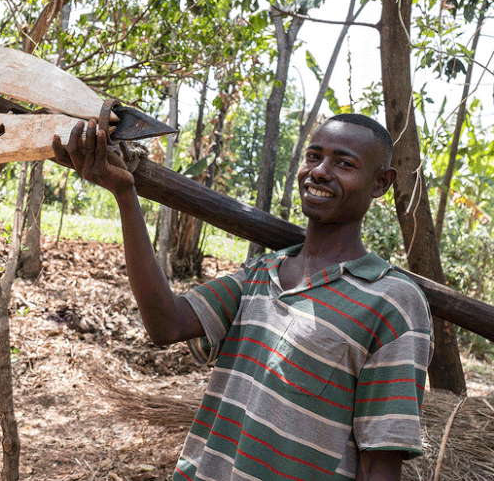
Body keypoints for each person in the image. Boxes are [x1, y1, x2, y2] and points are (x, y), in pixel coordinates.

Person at [52, 113, 433, 481]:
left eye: (344, 163)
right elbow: (166, 324)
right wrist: (124, 193)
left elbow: (379, 464)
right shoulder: (261, 273)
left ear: (380, 183)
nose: (319, 171)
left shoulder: (393, 301)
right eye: (314, 156)